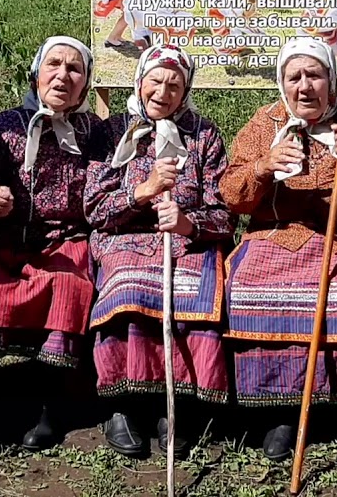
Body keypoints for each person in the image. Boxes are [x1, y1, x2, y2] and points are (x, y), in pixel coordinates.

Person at [219, 37, 337, 465]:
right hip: (275, 235)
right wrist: (263, 166)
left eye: (314, 75)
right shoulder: (265, 124)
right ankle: (285, 404)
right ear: (281, 85)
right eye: (294, 77)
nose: (304, 87)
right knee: (247, 284)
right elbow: (232, 194)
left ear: (332, 81)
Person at [0, 37, 107, 449]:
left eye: (75, 69)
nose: (63, 76)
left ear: (85, 86)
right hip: (1, 244)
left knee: (70, 288)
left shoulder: (96, 135)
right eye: (54, 65)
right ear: (36, 74)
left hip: (64, 244)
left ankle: (51, 406)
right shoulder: (1, 129)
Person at [85, 45, 234, 458]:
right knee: (127, 289)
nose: (163, 92)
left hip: (186, 242)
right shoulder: (112, 131)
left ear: (185, 92)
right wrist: (143, 192)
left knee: (194, 293)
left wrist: (188, 223)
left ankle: (179, 404)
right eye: (156, 81)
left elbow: (224, 212)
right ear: (139, 80)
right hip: (124, 239)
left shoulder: (204, 135)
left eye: (174, 85)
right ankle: (123, 404)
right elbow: (93, 209)